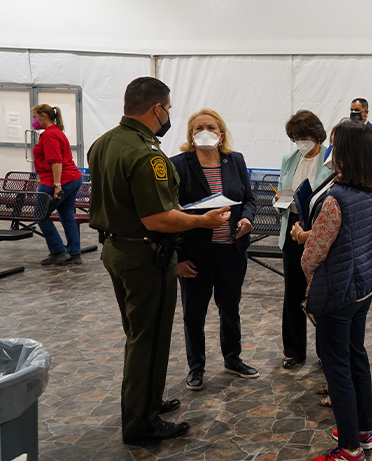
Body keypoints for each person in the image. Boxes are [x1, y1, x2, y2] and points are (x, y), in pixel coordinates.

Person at [88, 77, 230, 444]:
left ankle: (148, 400)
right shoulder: (148, 154)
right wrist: (203, 220)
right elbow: (158, 219)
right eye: (167, 109)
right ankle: (141, 423)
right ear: (157, 108)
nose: (168, 115)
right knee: (147, 340)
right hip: (145, 255)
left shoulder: (103, 143)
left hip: (117, 249)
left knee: (140, 333)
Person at [302, 120, 372, 461]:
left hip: (337, 293)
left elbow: (312, 254)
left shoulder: (335, 199)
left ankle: (349, 449)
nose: (330, 150)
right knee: (356, 358)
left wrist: (309, 280)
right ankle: (363, 433)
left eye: (334, 144)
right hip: (363, 287)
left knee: (338, 369)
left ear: (345, 151)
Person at [170, 108, 259, 391]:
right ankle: (196, 367)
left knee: (229, 310)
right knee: (193, 315)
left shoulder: (235, 161)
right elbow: (171, 213)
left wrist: (247, 218)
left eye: (210, 126)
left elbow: (248, 199)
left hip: (231, 250)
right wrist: (179, 258)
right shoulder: (178, 165)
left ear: (221, 134)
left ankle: (233, 358)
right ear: (190, 134)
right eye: (198, 128)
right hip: (195, 255)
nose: (204, 131)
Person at [277, 110, 333, 369]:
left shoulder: (330, 158)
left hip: (319, 232)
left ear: (317, 135)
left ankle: (326, 352)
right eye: (296, 138)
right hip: (292, 230)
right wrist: (281, 199)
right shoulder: (290, 159)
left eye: (305, 137)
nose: (301, 143)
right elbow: (285, 188)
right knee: (293, 294)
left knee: (320, 295)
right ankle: (293, 351)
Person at [31, 104, 84, 265]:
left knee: (40, 215)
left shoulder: (49, 135)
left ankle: (58, 251)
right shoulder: (57, 132)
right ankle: (74, 253)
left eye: (35, 117)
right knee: (67, 214)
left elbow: (56, 162)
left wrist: (57, 184)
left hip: (62, 180)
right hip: (73, 178)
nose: (34, 121)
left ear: (43, 116)